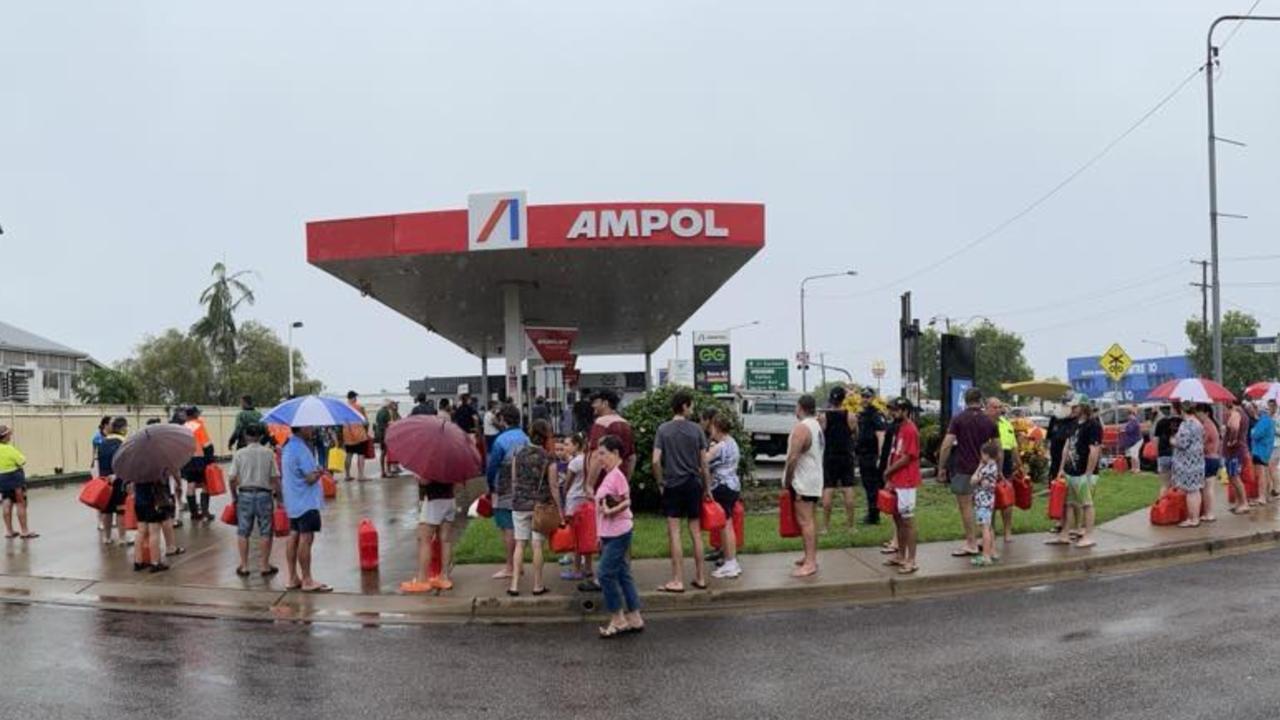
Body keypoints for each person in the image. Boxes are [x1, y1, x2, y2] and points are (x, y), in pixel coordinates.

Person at [653, 390, 710, 592]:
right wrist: (708, 488)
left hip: (673, 484)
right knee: (695, 532)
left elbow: (655, 460)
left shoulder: (663, 429)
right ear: (684, 406)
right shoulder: (696, 430)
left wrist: (661, 482)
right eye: (691, 406)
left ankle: (677, 579)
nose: (692, 410)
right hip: (693, 484)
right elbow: (703, 462)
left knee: (675, 533)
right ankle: (701, 577)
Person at [581, 389, 636, 592]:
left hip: (603, 484)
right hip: (619, 482)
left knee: (605, 529)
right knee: (622, 525)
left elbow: (597, 455)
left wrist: (589, 483)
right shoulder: (626, 424)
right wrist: (625, 481)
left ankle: (602, 577)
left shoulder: (601, 425)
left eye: (595, 402)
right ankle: (624, 571)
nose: (593, 406)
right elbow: (631, 457)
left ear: (605, 402)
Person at [594, 434, 644, 638]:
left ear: (615, 453)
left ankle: (618, 618)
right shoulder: (613, 474)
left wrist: (610, 511)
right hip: (611, 532)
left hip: (618, 532)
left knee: (605, 573)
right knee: (623, 574)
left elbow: (626, 502)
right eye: (598, 454)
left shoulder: (617, 475)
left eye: (603, 454)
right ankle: (634, 617)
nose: (600, 458)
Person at [937, 388, 997, 557]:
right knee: (984, 505)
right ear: (981, 400)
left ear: (965, 400)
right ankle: (988, 543)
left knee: (966, 506)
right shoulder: (989, 421)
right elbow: (997, 448)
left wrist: (941, 467)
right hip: (984, 469)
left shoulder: (958, 419)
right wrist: (996, 470)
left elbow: (947, 444)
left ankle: (971, 542)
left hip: (963, 468)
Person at [508, 419, 561, 596]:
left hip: (519, 504)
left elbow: (514, 480)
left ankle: (514, 584)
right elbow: (553, 486)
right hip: (540, 505)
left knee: (520, 544)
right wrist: (560, 510)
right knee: (537, 545)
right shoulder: (548, 458)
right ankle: (538, 585)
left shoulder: (518, 453)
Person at [281, 426, 331, 593]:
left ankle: (292, 577)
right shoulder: (301, 449)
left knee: (293, 535)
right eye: (309, 426)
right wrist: (320, 472)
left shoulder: (287, 446)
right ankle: (307, 579)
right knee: (306, 538)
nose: (312, 429)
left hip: (293, 500)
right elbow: (309, 478)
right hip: (306, 501)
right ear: (302, 428)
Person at [229, 423, 281, 578]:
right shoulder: (268, 453)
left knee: (243, 531)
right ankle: (265, 565)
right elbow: (275, 478)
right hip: (264, 495)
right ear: (261, 436)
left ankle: (244, 566)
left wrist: (234, 496)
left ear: (245, 436)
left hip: (244, 494)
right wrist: (280, 498)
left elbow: (232, 478)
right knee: (266, 530)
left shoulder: (239, 454)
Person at [1049, 400, 1101, 548]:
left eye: (1075, 406)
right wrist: (1061, 468)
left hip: (1084, 472)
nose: (1072, 408)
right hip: (1070, 470)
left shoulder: (1093, 425)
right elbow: (1067, 446)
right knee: (1068, 503)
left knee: (1086, 503)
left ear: (1083, 407)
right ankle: (1064, 534)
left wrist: (1089, 473)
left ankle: (1088, 535)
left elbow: (1094, 450)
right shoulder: (1074, 423)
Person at [485, 404, 528, 580]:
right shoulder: (525, 437)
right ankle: (519, 563)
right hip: (523, 486)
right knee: (520, 527)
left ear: (503, 420)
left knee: (508, 528)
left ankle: (510, 566)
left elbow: (492, 466)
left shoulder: (501, 440)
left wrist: (490, 485)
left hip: (503, 488)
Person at [784, 395, 824, 578]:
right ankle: (809, 556)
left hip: (803, 482)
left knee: (805, 522)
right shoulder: (816, 426)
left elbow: (793, 457)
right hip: (814, 479)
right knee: (811, 521)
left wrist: (788, 480)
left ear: (800, 407)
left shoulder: (802, 428)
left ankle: (810, 563)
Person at [882, 398, 919, 574]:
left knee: (907, 521)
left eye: (896, 410)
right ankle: (900, 555)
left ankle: (911, 560)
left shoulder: (910, 429)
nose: (893, 413)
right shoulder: (900, 428)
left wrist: (889, 471)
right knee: (898, 519)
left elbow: (908, 457)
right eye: (892, 410)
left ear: (905, 411)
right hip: (897, 479)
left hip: (907, 480)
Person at [403, 476, 459, 593]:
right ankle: (444, 576)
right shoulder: (451, 460)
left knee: (424, 539)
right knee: (446, 539)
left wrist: (418, 477)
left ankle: (422, 579)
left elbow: (425, 480)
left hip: (433, 500)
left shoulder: (431, 460)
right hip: (450, 499)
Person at [706, 414, 743, 579]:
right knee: (727, 524)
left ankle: (730, 562)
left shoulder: (719, 447)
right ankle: (731, 561)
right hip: (733, 485)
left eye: (712, 427)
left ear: (717, 428)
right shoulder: (732, 443)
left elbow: (702, 461)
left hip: (722, 487)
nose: (710, 430)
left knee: (725, 525)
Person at [818, 386, 858, 533]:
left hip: (830, 456)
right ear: (843, 399)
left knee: (828, 489)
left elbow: (820, 435)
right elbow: (854, 434)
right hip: (846, 455)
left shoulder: (823, 417)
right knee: (848, 489)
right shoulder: (851, 416)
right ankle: (851, 526)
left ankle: (826, 527)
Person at [560, 434, 593, 582]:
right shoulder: (588, 460)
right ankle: (588, 567)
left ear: (576, 445)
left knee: (576, 536)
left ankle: (577, 569)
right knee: (586, 534)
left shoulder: (574, 462)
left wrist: (563, 493)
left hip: (573, 500)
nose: (565, 447)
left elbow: (567, 483)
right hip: (586, 499)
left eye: (567, 444)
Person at [854, 388, 888, 525]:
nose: (864, 399)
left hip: (872, 455)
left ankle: (874, 515)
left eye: (867, 396)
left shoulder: (875, 414)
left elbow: (881, 435)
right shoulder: (862, 414)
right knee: (868, 486)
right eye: (863, 396)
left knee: (873, 486)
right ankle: (872, 513)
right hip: (863, 454)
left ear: (873, 398)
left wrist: (880, 456)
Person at [1172, 400, 1207, 526]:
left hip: (1188, 463)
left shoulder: (1186, 424)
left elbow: (1183, 443)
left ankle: (1192, 519)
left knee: (1190, 491)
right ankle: (1195, 517)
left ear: (1182, 410)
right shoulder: (1198, 423)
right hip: (1198, 461)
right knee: (1196, 490)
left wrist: (1173, 441)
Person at [97, 417, 130, 545]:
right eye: (126, 427)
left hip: (104, 479)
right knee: (121, 509)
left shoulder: (103, 442)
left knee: (107, 510)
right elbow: (124, 462)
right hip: (119, 478)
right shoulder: (123, 442)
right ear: (122, 428)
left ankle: (107, 537)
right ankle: (122, 537)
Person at [989, 399, 1019, 544]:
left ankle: (1007, 531)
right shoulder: (984, 423)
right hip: (988, 460)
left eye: (1000, 407)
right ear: (987, 408)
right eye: (995, 407)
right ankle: (990, 531)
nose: (999, 409)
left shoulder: (1006, 423)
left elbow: (1013, 446)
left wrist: (1019, 464)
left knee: (1007, 498)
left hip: (1006, 461)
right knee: (990, 499)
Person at [0, 425, 36, 540]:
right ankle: (24, 531)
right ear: (4, 436)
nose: (10, 436)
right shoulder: (9, 449)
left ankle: (9, 531)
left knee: (6, 502)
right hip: (15, 478)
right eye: (9, 434)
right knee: (21, 503)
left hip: (2, 479)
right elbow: (22, 461)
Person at [183, 406, 215, 523]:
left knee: (190, 484)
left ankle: (194, 513)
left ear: (187, 415)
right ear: (195, 414)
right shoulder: (199, 425)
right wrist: (210, 460)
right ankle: (205, 513)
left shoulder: (182, 428)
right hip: (199, 459)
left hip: (187, 460)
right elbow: (206, 445)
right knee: (205, 485)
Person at [971, 440, 1001, 566]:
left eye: (982, 454)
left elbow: (973, 480)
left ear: (987, 455)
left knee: (985, 528)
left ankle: (986, 555)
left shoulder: (987, 468)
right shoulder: (994, 466)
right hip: (989, 501)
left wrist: (978, 467)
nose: (981, 457)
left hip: (983, 501)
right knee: (989, 527)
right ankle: (993, 551)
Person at [1223, 398, 1251, 513]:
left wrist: (1231, 440)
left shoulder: (1236, 413)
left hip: (1235, 451)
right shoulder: (1243, 413)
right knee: (1233, 477)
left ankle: (1244, 503)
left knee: (1235, 477)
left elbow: (1234, 427)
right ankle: (1240, 502)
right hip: (1237, 451)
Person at [1196, 403, 1222, 521]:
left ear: (1206, 413)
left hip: (1209, 458)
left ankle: (1209, 513)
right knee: (1209, 487)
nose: (1197, 415)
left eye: (1199, 412)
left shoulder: (1207, 425)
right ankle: (1208, 512)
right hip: (1214, 458)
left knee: (1207, 488)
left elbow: (1201, 442)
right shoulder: (1212, 424)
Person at [341, 391, 371, 482]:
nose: (356, 399)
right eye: (355, 397)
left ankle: (347, 475)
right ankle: (361, 476)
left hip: (347, 435)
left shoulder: (344, 408)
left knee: (349, 455)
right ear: (353, 398)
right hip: (359, 435)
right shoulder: (359, 407)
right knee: (361, 455)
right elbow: (365, 421)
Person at [1248, 401, 1273, 506]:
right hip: (1266, 450)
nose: (1256, 410)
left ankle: (1261, 497)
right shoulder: (1269, 420)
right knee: (1265, 473)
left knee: (1261, 475)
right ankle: (1266, 496)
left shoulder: (1263, 420)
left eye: (1257, 408)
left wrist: (1252, 431)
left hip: (1260, 450)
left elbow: (1256, 435)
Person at [1152, 406, 1182, 491]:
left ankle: (1163, 503)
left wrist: (1157, 453)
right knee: (1177, 484)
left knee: (1164, 484)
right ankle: (1175, 502)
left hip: (1163, 454)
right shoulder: (1182, 422)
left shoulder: (1161, 422)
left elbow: (1156, 440)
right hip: (1178, 455)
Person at [374, 398, 397, 478]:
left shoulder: (379, 412)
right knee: (388, 453)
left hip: (380, 434)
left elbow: (378, 423)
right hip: (386, 434)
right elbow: (389, 423)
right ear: (387, 404)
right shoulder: (386, 412)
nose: (391, 405)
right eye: (390, 403)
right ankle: (388, 471)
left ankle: (383, 471)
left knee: (383, 453)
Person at [1120, 406, 1143, 473]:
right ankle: (1133, 468)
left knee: (1134, 454)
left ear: (1131, 414)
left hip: (1137, 440)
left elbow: (1130, 430)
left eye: (1128, 415)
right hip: (1133, 440)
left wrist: (1124, 430)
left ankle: (1137, 468)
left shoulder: (1134, 421)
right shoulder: (1131, 421)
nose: (1128, 417)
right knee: (1132, 454)